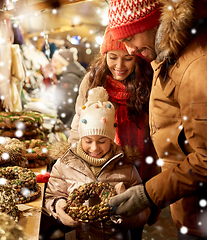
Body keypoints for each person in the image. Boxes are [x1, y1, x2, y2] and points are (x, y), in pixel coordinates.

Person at [107, 0, 207, 239]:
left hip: (203, 202)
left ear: (152, 23)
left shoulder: (202, 64)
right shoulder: (174, 47)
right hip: (189, 192)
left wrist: (147, 194)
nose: (129, 50)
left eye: (131, 39)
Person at [45, 87, 150, 239]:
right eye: (88, 141)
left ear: (112, 138)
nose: (94, 148)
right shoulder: (65, 164)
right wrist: (58, 207)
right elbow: (52, 196)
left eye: (102, 141)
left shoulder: (125, 166)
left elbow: (143, 213)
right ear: (81, 137)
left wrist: (125, 211)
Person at [69, 26, 159, 184]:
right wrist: (76, 166)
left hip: (142, 161)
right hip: (101, 164)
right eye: (113, 57)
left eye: (128, 58)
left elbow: (156, 129)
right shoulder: (93, 81)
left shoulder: (147, 82)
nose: (120, 65)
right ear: (104, 56)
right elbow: (79, 124)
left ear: (136, 57)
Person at [52, 48, 86, 129]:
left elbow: (66, 108)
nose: (54, 65)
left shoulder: (69, 78)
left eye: (56, 61)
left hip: (70, 125)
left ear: (63, 63)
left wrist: (61, 125)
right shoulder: (71, 75)